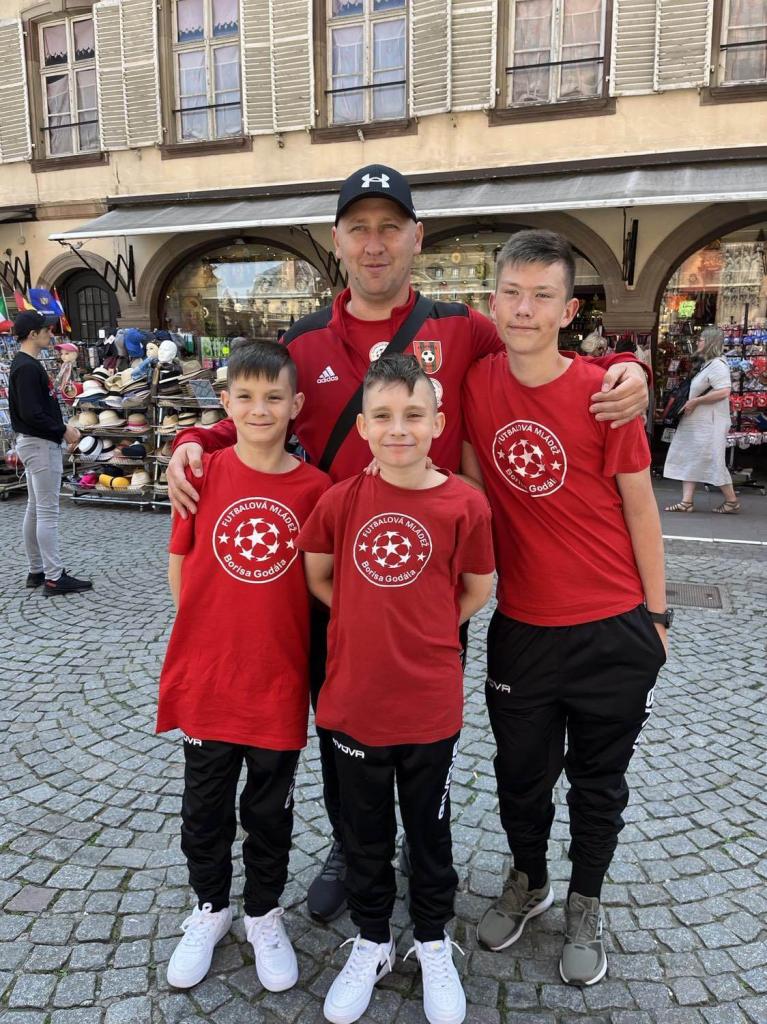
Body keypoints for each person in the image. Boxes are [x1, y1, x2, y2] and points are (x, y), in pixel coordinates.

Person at [166, 163, 651, 924]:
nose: (374, 243)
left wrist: (627, 367)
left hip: (429, 580)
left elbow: (541, 348)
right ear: (336, 241)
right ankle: (350, 847)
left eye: (390, 227)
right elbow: (257, 414)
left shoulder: (461, 327)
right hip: (331, 575)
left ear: (416, 238)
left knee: (424, 728)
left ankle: (425, 857)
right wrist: (196, 438)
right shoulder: (304, 338)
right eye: (358, 228)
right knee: (340, 720)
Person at [462, 231, 669, 987]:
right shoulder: (474, 384)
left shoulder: (603, 393)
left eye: (542, 295)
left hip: (611, 623)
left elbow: (641, 508)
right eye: (512, 294)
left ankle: (586, 900)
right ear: (493, 302)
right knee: (520, 776)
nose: (525, 309)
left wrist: (657, 619)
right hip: (522, 627)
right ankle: (528, 880)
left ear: (567, 310)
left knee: (597, 783)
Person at [299, 355, 495, 1024]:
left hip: (428, 704)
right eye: (382, 416)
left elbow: (477, 589)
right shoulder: (339, 501)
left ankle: (433, 939)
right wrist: (363, 620)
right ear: (362, 426)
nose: (398, 428)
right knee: (364, 833)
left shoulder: (464, 504)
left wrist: (427, 628)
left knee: (429, 830)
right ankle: (373, 938)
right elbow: (319, 578)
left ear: (438, 422)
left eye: (413, 414)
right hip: (354, 701)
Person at [157, 341, 330, 992]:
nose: (261, 410)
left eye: (274, 398)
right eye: (247, 397)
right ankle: (211, 906)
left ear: (296, 405)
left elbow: (320, 584)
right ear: (225, 403)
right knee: (204, 807)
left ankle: (262, 911)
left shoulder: (316, 490)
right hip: (210, 678)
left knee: (268, 810)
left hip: (277, 681)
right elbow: (181, 568)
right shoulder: (201, 474)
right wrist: (210, 635)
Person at [9, 310, 92, 596]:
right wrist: (63, 429)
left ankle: (37, 570)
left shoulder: (25, 364)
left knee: (35, 508)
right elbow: (32, 413)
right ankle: (54, 577)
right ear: (32, 334)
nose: (50, 333)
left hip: (35, 442)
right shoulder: (27, 367)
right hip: (40, 444)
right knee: (47, 512)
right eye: (46, 330)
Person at [663, 326, 739, 514]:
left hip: (709, 423)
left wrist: (696, 401)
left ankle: (731, 500)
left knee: (712, 460)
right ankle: (686, 501)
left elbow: (724, 391)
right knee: (690, 457)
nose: (698, 342)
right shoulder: (708, 364)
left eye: (702, 340)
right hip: (697, 423)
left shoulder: (718, 365)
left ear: (710, 342)